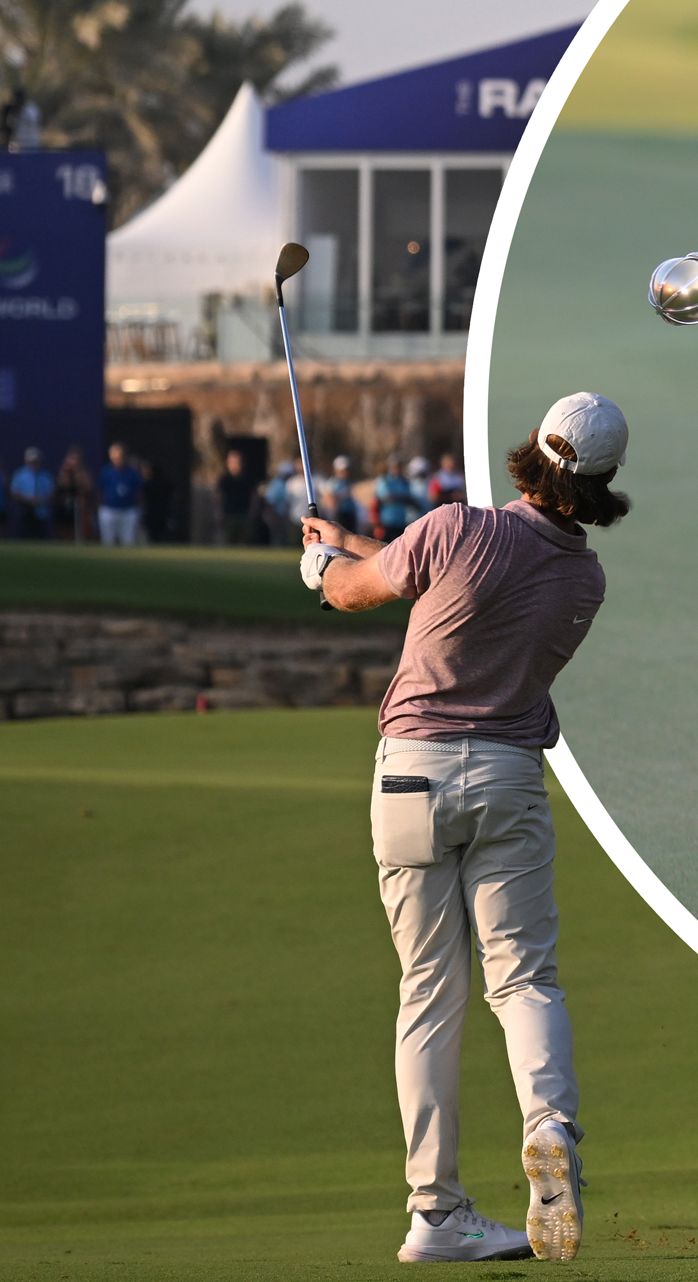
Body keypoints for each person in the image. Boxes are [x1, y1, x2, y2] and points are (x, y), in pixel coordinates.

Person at [302, 391, 629, 1265]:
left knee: (428, 994)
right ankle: (550, 1126)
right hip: (510, 779)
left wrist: (321, 566)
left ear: (532, 450)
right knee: (523, 981)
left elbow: (357, 591)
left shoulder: (454, 528)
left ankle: (435, 1213)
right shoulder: (583, 580)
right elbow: (435, 576)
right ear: (600, 483)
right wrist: (355, 544)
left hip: (411, 775)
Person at [97, 444, 146, 547]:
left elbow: (139, 492)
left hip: (128, 511)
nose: (118, 460)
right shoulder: (106, 472)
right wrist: (100, 508)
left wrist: (139, 509)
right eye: (115, 458)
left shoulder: (133, 473)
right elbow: (100, 491)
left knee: (128, 542)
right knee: (108, 542)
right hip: (109, 510)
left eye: (120, 457)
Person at [217, 449, 259, 547]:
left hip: (244, 514)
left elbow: (254, 496)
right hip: (229, 514)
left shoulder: (248, 478)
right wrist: (219, 512)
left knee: (244, 541)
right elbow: (218, 496)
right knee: (228, 541)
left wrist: (253, 511)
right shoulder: (224, 479)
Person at [9, 448, 52, 541]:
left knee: (40, 537)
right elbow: (15, 492)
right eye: (32, 461)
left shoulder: (46, 476)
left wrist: (40, 500)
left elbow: (51, 493)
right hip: (24, 510)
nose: (34, 463)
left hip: (41, 511)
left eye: (36, 461)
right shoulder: (20, 474)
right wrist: (28, 500)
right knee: (24, 536)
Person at [377, 454, 422, 539]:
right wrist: (402, 498)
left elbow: (409, 498)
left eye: (400, 466)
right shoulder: (384, 480)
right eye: (396, 466)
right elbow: (385, 497)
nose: (398, 468)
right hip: (387, 522)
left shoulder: (405, 481)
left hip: (402, 522)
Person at [55, 446, 93, 542]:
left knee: (81, 533)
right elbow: (62, 484)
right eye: (71, 458)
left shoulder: (82, 472)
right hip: (66, 506)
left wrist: (77, 470)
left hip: (80, 507)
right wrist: (68, 470)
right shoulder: (65, 471)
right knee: (64, 532)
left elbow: (88, 486)